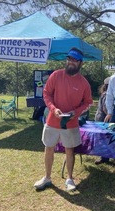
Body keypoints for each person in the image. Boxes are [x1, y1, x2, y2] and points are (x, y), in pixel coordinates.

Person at [34, 47, 93, 191]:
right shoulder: (56, 75)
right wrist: (53, 109)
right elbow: (46, 94)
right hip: (52, 121)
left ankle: (70, 179)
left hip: (71, 123)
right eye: (69, 59)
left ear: (80, 63)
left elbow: (88, 103)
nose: (71, 62)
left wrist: (76, 112)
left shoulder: (84, 83)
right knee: (49, 148)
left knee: (69, 151)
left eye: (74, 60)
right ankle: (47, 178)